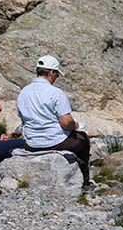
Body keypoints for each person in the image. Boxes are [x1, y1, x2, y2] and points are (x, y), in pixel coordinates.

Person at [16, 55, 90, 185]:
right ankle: (84, 181)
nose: (56, 78)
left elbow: (23, 118)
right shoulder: (56, 93)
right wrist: (78, 125)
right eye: (57, 75)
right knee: (83, 140)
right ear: (51, 73)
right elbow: (66, 123)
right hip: (54, 142)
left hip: (31, 144)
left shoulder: (23, 92)